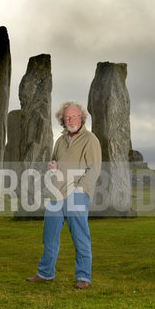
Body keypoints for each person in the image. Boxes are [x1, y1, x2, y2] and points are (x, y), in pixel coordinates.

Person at [26, 100, 102, 289]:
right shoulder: (60, 141)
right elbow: (55, 161)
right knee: (49, 236)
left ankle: (83, 277)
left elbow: (94, 168)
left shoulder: (90, 139)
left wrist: (80, 189)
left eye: (74, 116)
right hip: (55, 195)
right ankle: (45, 273)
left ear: (81, 117)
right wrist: (53, 166)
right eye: (67, 117)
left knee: (80, 236)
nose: (71, 119)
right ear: (62, 120)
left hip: (76, 194)